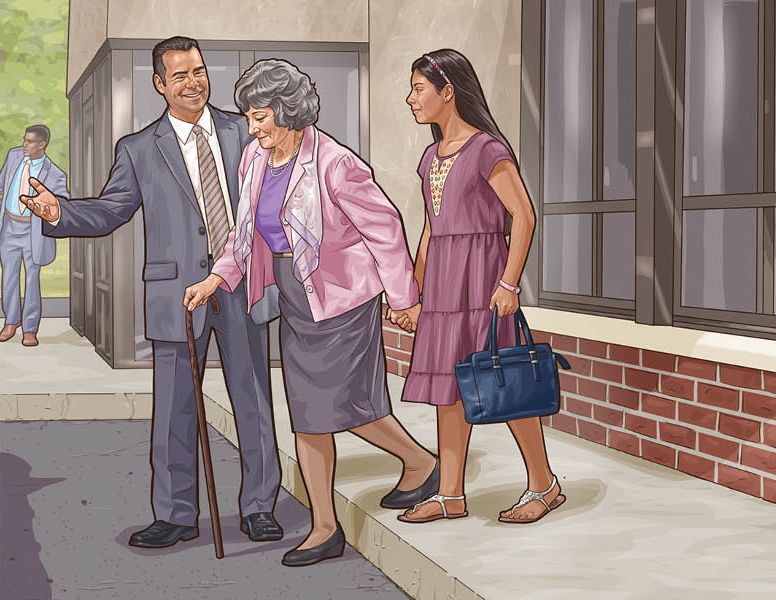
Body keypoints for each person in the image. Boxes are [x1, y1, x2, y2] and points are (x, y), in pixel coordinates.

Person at [19, 37, 284, 549]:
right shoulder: (139, 148)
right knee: (175, 408)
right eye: (180, 75)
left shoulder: (245, 132)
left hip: (241, 284)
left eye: (200, 71)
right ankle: (176, 515)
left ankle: (258, 507)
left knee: (253, 400)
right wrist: (60, 213)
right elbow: (111, 210)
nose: (194, 83)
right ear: (160, 85)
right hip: (177, 292)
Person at [184, 59, 440, 568]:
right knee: (308, 413)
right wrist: (219, 276)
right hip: (295, 297)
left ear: (287, 111)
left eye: (260, 117)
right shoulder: (255, 162)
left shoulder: (334, 163)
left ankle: (416, 463)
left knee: (343, 406)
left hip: (342, 297)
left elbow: (385, 228)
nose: (252, 128)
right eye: (249, 117)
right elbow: (243, 234)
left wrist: (404, 297)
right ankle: (328, 526)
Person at [392, 49, 563, 525]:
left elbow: (524, 216)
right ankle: (450, 493)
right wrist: (414, 293)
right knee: (449, 389)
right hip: (445, 288)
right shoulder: (430, 158)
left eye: (418, 90)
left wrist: (509, 283)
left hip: (484, 285)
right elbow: (430, 228)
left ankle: (544, 485)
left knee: (504, 383)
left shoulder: (488, 149)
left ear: (448, 92)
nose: (410, 100)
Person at [0, 124, 68, 347]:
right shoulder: (14, 156)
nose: (24, 144)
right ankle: (11, 322)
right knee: (9, 277)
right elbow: (0, 183)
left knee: (32, 280)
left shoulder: (56, 175)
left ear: (41, 145)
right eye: (24, 140)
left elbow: (61, 206)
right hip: (10, 228)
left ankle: (30, 329)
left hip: (34, 233)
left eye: (29, 141)